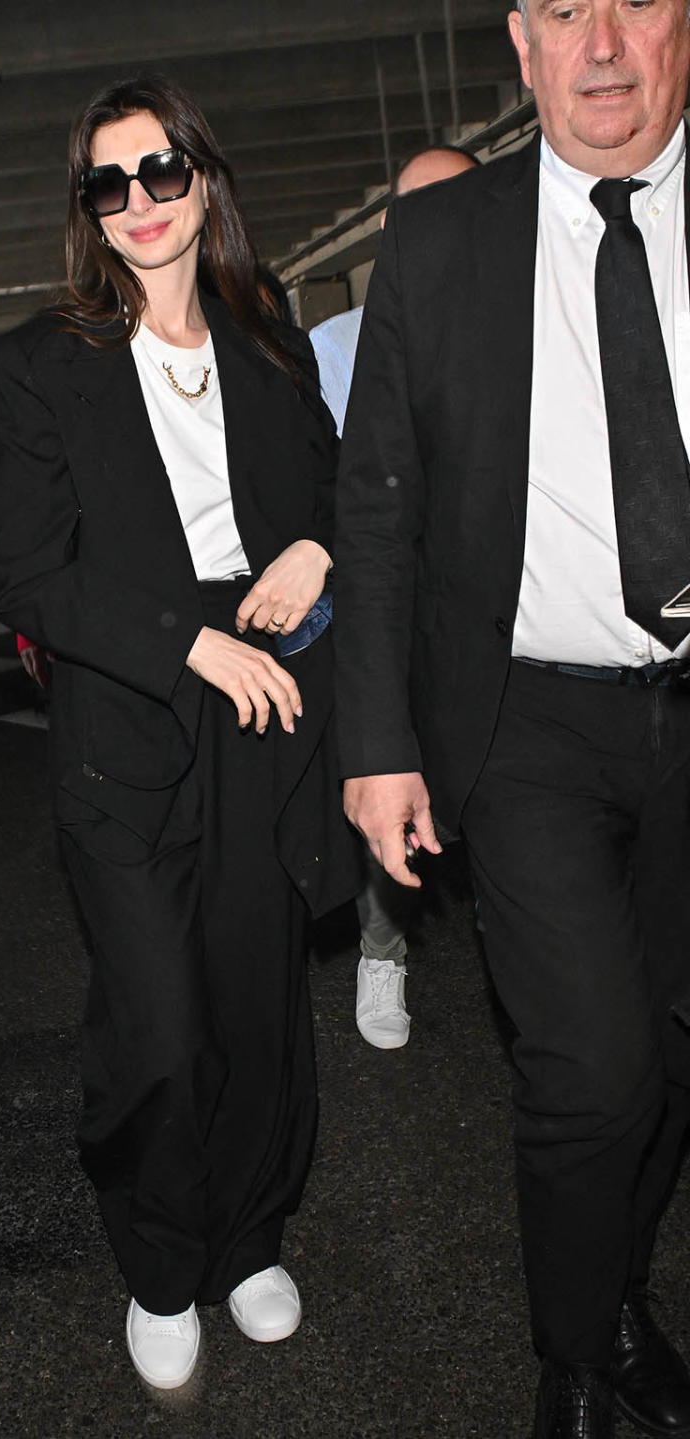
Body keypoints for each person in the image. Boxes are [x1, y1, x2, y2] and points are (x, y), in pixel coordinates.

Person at [0, 73, 361, 1391]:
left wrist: (309, 546)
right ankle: (158, 1255)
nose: (137, 201)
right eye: (108, 182)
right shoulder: (40, 364)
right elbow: (22, 567)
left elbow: (335, 489)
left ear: (204, 182)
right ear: (88, 208)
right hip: (127, 714)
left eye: (160, 172)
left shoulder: (268, 341)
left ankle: (249, 1233)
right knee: (155, 1013)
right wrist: (188, 639)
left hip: (266, 721)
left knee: (256, 1001)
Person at [334, 1, 690, 1434]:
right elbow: (378, 508)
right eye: (562, 9)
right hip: (526, 720)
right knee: (593, 1068)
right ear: (520, 43)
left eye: (636, 1)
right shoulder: (442, 240)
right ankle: (576, 1361)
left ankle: (613, 1295)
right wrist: (375, 741)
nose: (601, 43)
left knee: (669, 1055)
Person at [311, 144, 478, 1051]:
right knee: (387, 770)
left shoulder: (525, 328)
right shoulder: (334, 348)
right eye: (422, 210)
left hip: (486, 614)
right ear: (390, 229)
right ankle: (383, 950)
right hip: (381, 609)